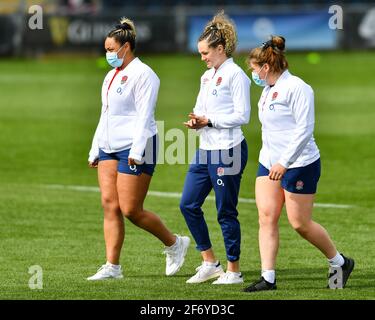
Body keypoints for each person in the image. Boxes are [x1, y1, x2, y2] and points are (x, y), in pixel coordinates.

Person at [243, 36, 354, 292]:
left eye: (253, 68)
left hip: (300, 163)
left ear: (266, 67)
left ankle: (340, 262)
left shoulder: (298, 88)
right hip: (269, 163)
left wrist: (285, 162)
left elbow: (304, 130)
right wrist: (271, 160)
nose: (253, 74)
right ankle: (268, 278)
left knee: (299, 223)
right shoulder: (267, 91)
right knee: (266, 216)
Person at [87, 17, 190, 281]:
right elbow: (105, 114)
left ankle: (175, 244)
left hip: (137, 147)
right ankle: (113, 267)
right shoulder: (110, 75)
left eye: (111, 49)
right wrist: (95, 148)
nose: (108, 54)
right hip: (109, 147)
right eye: (106, 49)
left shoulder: (145, 75)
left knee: (131, 209)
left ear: (126, 47)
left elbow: (145, 115)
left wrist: (136, 150)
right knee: (109, 205)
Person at [180, 11, 250, 285]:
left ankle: (234, 271)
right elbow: (201, 107)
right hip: (205, 149)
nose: (202, 58)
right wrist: (197, 119)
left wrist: (210, 121)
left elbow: (243, 115)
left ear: (221, 49)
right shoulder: (207, 76)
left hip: (228, 150)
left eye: (205, 52)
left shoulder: (236, 75)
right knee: (188, 204)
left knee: (225, 211)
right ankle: (210, 262)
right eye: (200, 53)